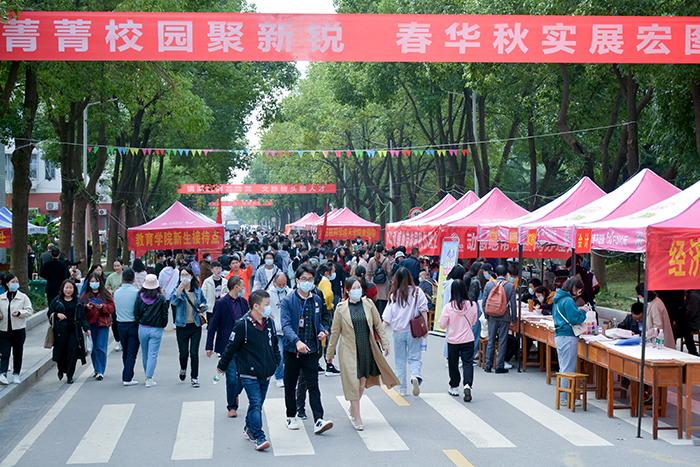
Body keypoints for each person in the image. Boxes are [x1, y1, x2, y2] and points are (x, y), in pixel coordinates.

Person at [327, 277, 398, 431]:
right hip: (349, 351)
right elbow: (335, 332)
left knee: (362, 383)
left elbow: (378, 325)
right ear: (347, 290)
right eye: (353, 288)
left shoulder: (368, 304)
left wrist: (385, 343)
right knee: (353, 382)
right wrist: (330, 353)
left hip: (366, 348)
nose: (357, 290)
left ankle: (353, 408)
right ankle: (357, 416)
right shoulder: (341, 309)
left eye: (359, 287)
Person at [217, 290, 279, 452]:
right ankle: (259, 436)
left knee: (257, 404)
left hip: (266, 372)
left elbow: (274, 345)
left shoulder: (269, 323)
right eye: (266, 304)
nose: (269, 307)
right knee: (256, 403)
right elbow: (231, 348)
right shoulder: (242, 325)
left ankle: (249, 427)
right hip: (248, 372)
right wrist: (222, 366)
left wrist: (275, 363)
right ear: (256, 306)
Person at [280, 264, 333, 434]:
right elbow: (286, 325)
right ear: (297, 281)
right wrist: (296, 341)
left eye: (310, 279)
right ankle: (291, 416)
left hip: (311, 349)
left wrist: (324, 330)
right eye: (304, 279)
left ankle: (319, 419)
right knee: (290, 384)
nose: (307, 282)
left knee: (313, 385)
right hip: (292, 350)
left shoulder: (316, 299)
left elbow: (325, 318)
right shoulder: (288, 300)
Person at [382, 267, 429, 397]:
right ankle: (415, 375)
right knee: (415, 357)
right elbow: (424, 310)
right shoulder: (417, 292)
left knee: (400, 361)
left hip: (398, 332)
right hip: (414, 331)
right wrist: (425, 329)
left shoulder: (394, 295)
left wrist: (381, 332)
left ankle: (402, 389)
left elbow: (387, 317)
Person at [206, 276, 249, 417]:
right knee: (231, 377)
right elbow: (213, 325)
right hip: (227, 345)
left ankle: (234, 393)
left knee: (244, 376)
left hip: (243, 345)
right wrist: (209, 345)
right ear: (236, 286)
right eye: (242, 285)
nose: (243, 288)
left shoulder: (244, 302)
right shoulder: (221, 303)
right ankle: (232, 406)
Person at [439, 279, 478, 402]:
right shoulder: (472, 304)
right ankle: (467, 385)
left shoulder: (448, 307)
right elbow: (474, 321)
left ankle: (454, 386)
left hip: (453, 340)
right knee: (468, 363)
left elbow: (442, 324)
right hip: (468, 339)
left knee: (453, 364)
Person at [552, 277, 587, 406]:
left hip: (560, 335)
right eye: (578, 290)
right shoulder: (568, 301)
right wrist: (583, 312)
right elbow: (575, 319)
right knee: (568, 367)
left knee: (564, 366)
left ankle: (563, 395)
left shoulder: (558, 299)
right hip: (568, 335)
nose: (579, 293)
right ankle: (564, 397)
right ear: (573, 287)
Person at [171, 267, 207, 388]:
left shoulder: (197, 290)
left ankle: (194, 377)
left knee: (194, 353)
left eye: (187, 275)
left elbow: (204, 303)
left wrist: (202, 306)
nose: (185, 277)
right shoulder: (177, 291)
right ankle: (183, 368)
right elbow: (174, 302)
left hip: (195, 325)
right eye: (182, 275)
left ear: (191, 276)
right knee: (183, 353)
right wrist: (180, 289)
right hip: (182, 326)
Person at [50, 280, 90, 384]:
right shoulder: (57, 300)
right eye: (66, 288)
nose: (68, 290)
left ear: (74, 289)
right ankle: (61, 369)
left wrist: (86, 328)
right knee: (61, 354)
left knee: (72, 353)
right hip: (60, 332)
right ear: (63, 289)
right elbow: (49, 313)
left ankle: (70, 375)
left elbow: (82, 317)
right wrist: (56, 315)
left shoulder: (78, 301)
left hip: (74, 331)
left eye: (70, 288)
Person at [135, 273, 169, 387]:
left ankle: (147, 375)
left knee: (145, 353)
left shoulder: (139, 296)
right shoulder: (161, 298)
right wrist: (163, 325)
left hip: (143, 328)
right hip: (156, 329)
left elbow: (136, 312)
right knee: (153, 354)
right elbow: (165, 314)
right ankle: (149, 378)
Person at [81, 272, 115, 380]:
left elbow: (112, 308)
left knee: (101, 347)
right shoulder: (85, 295)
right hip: (91, 324)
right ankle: (96, 369)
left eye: (96, 281)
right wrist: (87, 307)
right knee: (94, 348)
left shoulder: (105, 294)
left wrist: (102, 307)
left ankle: (100, 371)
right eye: (92, 281)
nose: (94, 283)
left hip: (103, 324)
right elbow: (80, 310)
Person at [482, 265, 516, 374]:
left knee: (491, 340)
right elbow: (513, 304)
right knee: (502, 341)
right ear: (506, 274)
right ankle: (499, 366)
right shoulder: (510, 286)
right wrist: (513, 318)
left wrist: (486, 315)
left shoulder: (489, 284)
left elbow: (484, 302)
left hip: (492, 316)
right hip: (504, 316)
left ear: (495, 274)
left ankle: (488, 365)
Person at [0, 273, 33, 385]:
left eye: (16, 282)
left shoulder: (23, 297)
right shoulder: (1, 298)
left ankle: (16, 374)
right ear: (7, 284)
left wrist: (20, 313)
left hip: (18, 330)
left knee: (17, 353)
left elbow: (29, 311)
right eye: (12, 282)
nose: (15, 284)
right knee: (5, 353)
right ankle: (3, 373)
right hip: (4, 330)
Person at [114, 268, 140, 386]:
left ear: (123, 278)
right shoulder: (136, 292)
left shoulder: (117, 292)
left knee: (126, 351)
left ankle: (127, 373)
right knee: (132, 352)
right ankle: (127, 377)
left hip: (120, 324)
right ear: (133, 278)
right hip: (133, 324)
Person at [269, 272, 292, 388]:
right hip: (276, 330)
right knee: (280, 354)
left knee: (289, 355)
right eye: (280, 284)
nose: (282, 286)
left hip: (289, 329)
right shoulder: (269, 293)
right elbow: (265, 308)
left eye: (284, 284)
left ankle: (289, 376)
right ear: (274, 283)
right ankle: (279, 376)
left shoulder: (290, 292)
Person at [635, 283, 675, 348]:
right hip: (653, 341)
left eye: (639, 295)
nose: (639, 297)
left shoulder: (655, 305)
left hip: (660, 343)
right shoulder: (652, 302)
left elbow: (658, 327)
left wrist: (645, 335)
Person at [106, 260, 125, 352]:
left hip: (124, 303)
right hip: (114, 303)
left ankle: (124, 340)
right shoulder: (110, 277)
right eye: (115, 266)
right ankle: (117, 340)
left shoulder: (126, 275)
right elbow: (107, 289)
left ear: (122, 266)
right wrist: (112, 292)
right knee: (114, 323)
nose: (116, 267)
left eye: (118, 265)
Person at [368, 246, 391, 316]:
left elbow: (368, 272)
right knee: (383, 303)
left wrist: (370, 281)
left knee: (375, 302)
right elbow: (389, 272)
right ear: (382, 252)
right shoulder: (386, 260)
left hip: (374, 283)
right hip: (384, 284)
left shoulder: (371, 260)